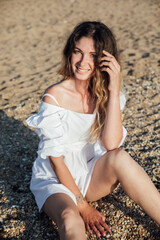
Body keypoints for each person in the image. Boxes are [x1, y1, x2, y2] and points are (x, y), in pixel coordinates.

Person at [26, 21, 160, 240]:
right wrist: (84, 207)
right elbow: (56, 161)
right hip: (55, 179)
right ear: (70, 52)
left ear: (104, 60)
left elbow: (111, 145)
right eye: (78, 52)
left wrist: (114, 90)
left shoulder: (104, 94)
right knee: (70, 217)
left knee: (121, 158)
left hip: (89, 172)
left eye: (92, 55)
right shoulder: (54, 96)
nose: (83, 62)